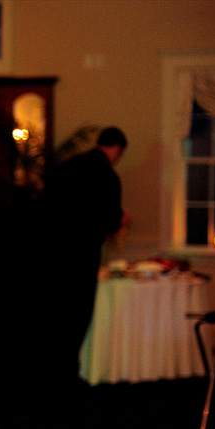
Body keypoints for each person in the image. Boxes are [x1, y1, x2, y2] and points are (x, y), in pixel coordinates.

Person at [44, 125, 130, 382]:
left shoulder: (68, 167)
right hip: (82, 252)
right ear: (116, 149)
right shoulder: (107, 176)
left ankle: (48, 364)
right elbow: (110, 221)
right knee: (78, 310)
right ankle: (68, 368)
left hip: (53, 249)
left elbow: (47, 204)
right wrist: (122, 220)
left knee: (56, 306)